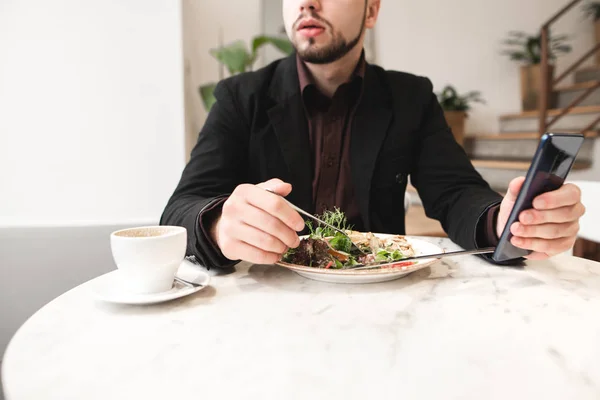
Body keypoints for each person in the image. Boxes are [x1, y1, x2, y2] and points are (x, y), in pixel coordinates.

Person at [161, 0, 585, 269]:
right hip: (270, 299)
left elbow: (455, 192)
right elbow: (181, 207)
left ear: (372, 10)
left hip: (382, 295)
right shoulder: (242, 95)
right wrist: (219, 223)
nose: (307, 4)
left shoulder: (410, 96)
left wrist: (507, 222)